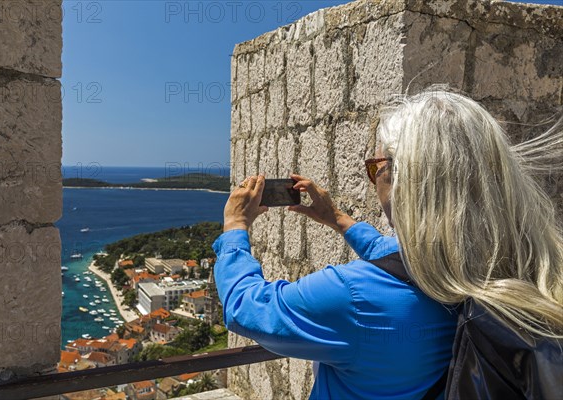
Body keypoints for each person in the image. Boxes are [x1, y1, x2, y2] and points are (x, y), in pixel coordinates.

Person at [212, 90, 563, 399]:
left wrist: (235, 228)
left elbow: (247, 309)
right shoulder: (515, 266)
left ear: (402, 179)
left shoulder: (353, 296)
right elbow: (397, 257)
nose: (374, 176)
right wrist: (337, 218)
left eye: (375, 166)